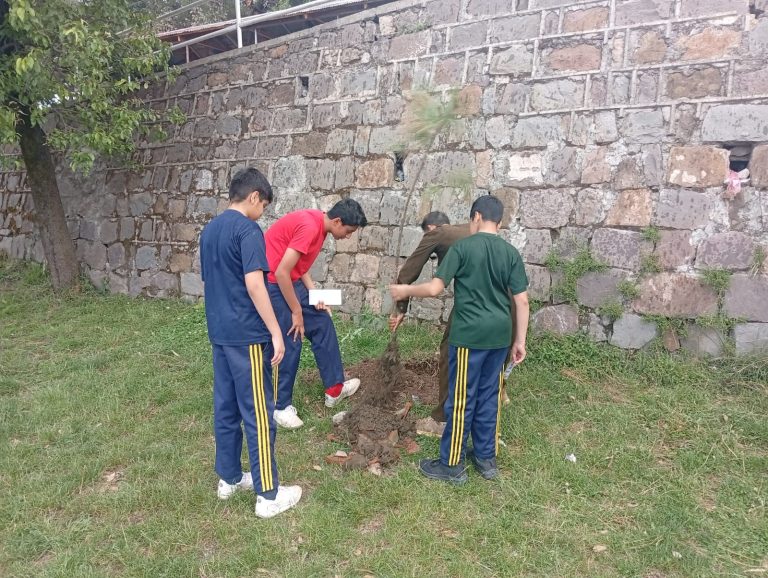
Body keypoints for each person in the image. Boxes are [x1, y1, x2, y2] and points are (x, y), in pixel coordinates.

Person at [390, 195, 529, 484]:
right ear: (499, 221)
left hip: (469, 337)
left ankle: (451, 464)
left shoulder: (463, 248)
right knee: (489, 396)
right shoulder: (511, 253)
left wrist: (405, 291)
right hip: (500, 337)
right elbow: (522, 301)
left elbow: (434, 289)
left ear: (476, 216)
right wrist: (520, 341)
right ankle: (486, 458)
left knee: (462, 399)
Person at [199, 167, 302, 518]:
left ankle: (229, 478)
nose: (263, 213)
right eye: (264, 206)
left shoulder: (210, 230)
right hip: (246, 336)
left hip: (220, 334)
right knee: (258, 412)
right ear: (254, 196)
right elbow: (255, 284)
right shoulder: (247, 230)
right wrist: (275, 331)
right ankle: (268, 495)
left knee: (226, 408)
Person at [389, 211, 514, 434]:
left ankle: (442, 420)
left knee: (450, 352)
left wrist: (400, 307)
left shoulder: (438, 233)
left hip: (475, 302)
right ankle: (498, 392)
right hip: (508, 305)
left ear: (431, 229)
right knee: (493, 353)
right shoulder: (478, 232)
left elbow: (410, 270)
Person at [265, 198, 368, 429]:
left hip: (290, 281)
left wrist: (314, 295)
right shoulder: (310, 227)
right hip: (273, 283)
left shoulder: (320, 225)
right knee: (293, 336)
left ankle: (335, 389)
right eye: (348, 232)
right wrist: (296, 311)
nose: (348, 237)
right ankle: (280, 407)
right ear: (337, 221)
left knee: (322, 322)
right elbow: (281, 272)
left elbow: (299, 266)